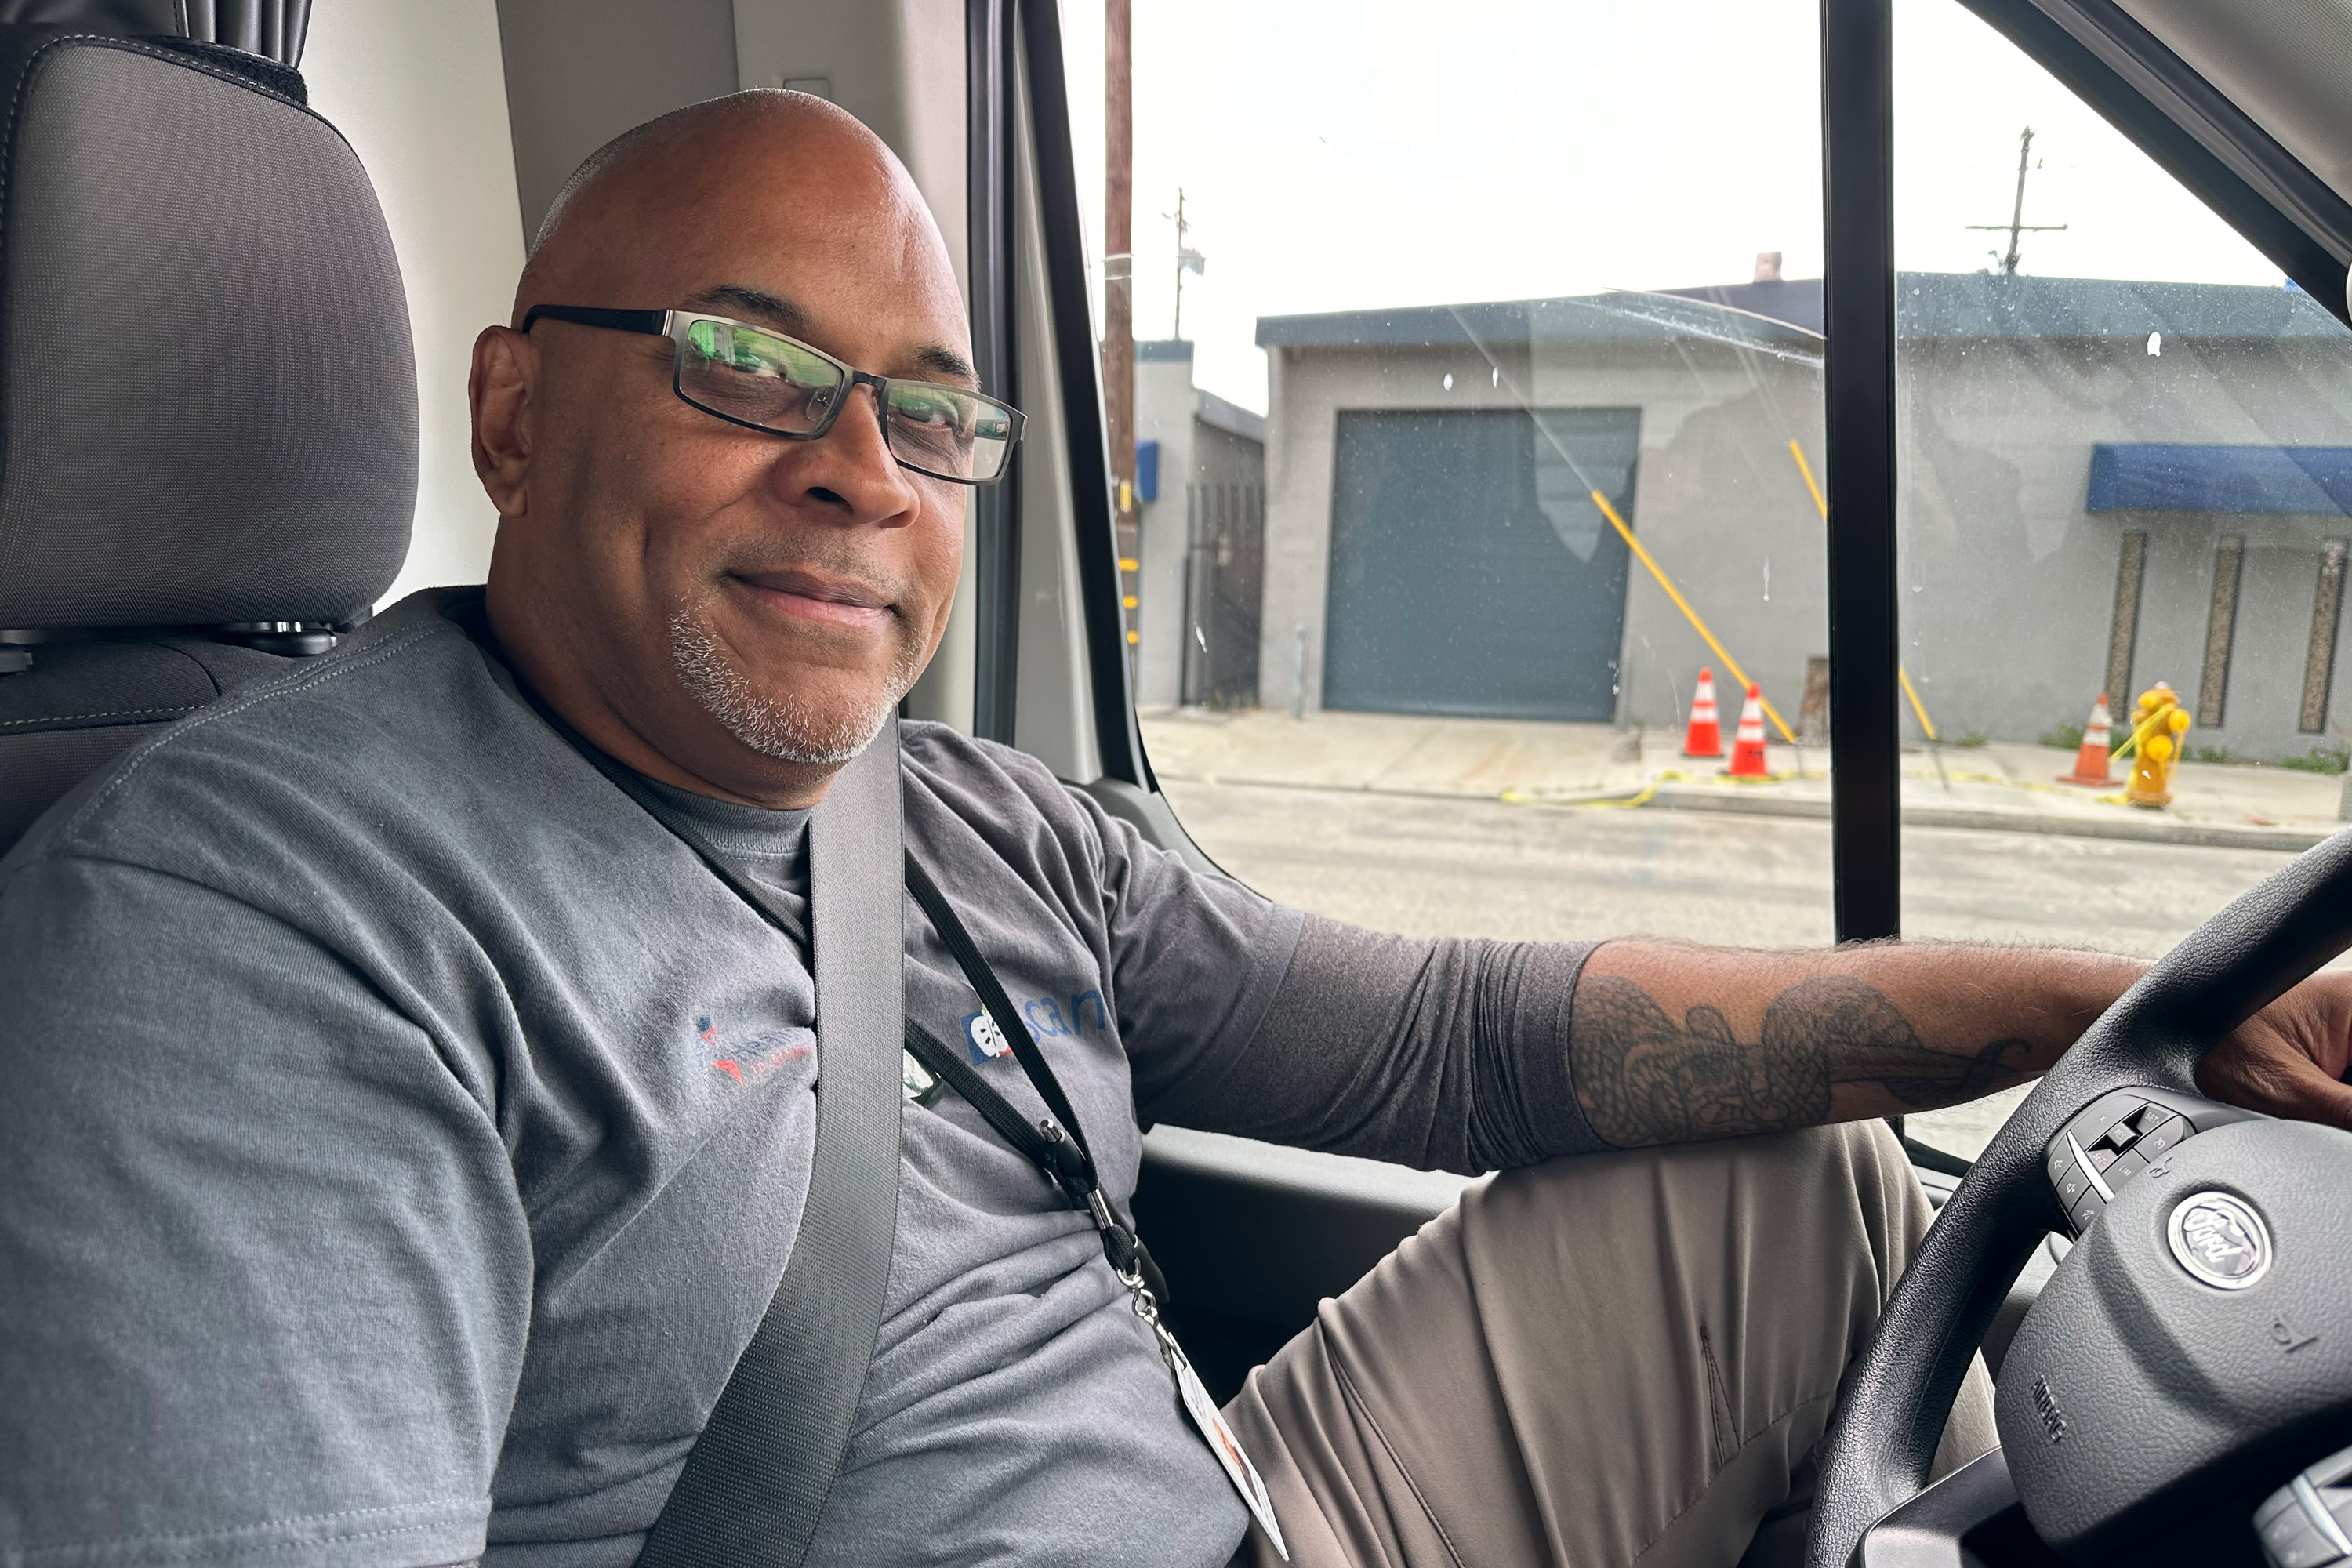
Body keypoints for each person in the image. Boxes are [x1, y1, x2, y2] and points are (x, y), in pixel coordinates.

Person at [2, 90, 2347, 1568]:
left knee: (1799, 1184)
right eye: (742, 367)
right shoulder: (247, 931)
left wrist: (2101, 1007)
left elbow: (1468, 1038)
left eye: (925, 414)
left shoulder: (971, 818)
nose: (856, 468)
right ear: (514, 415)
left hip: (1257, 1500)